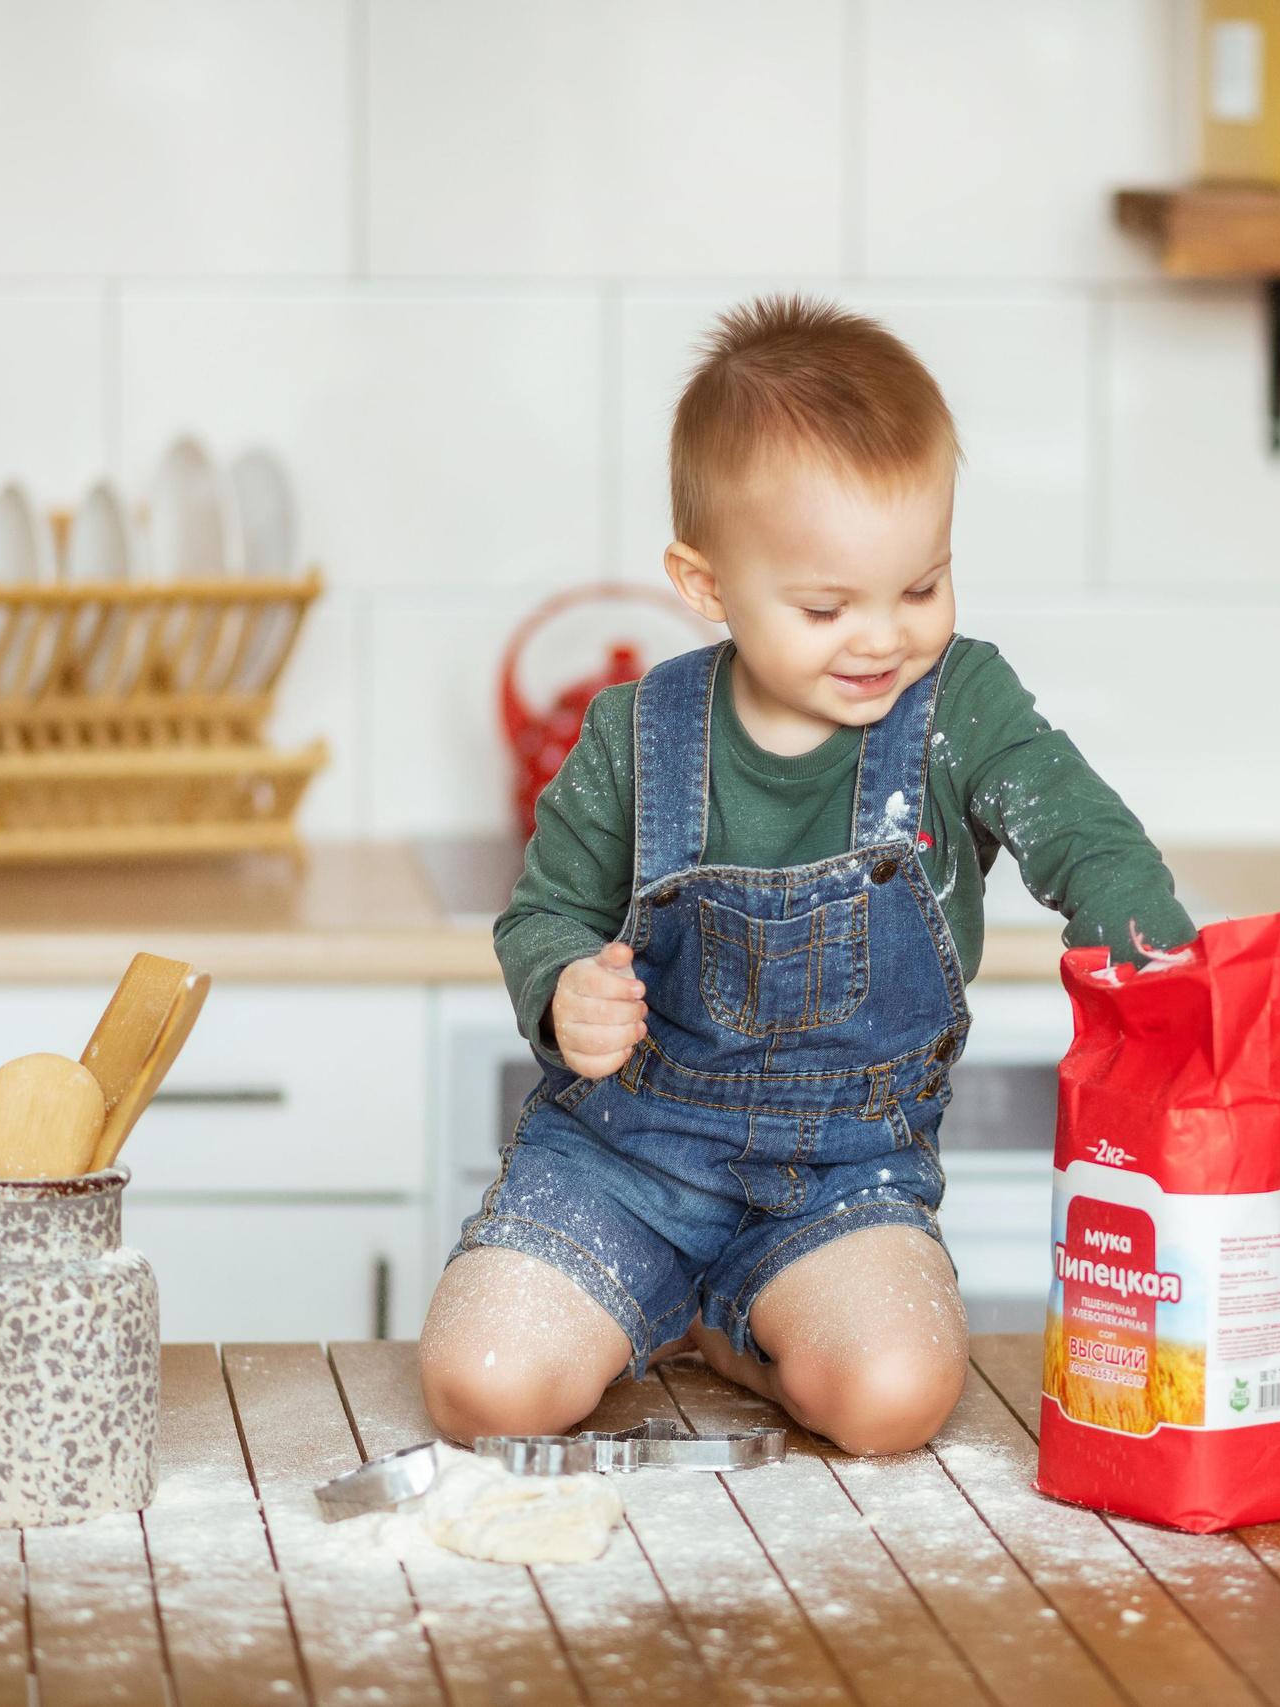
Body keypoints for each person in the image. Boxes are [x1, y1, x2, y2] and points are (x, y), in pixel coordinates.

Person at [420, 296, 1195, 1455]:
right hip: (627, 1155)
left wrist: (1150, 944)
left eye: (921, 587)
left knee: (888, 1403)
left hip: (846, 1173)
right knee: (484, 1388)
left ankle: (737, 1324)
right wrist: (564, 986)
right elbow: (546, 916)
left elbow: (1084, 831)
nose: (882, 638)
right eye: (827, 606)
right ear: (705, 582)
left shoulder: (959, 710)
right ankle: (660, 1296)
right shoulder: (636, 732)